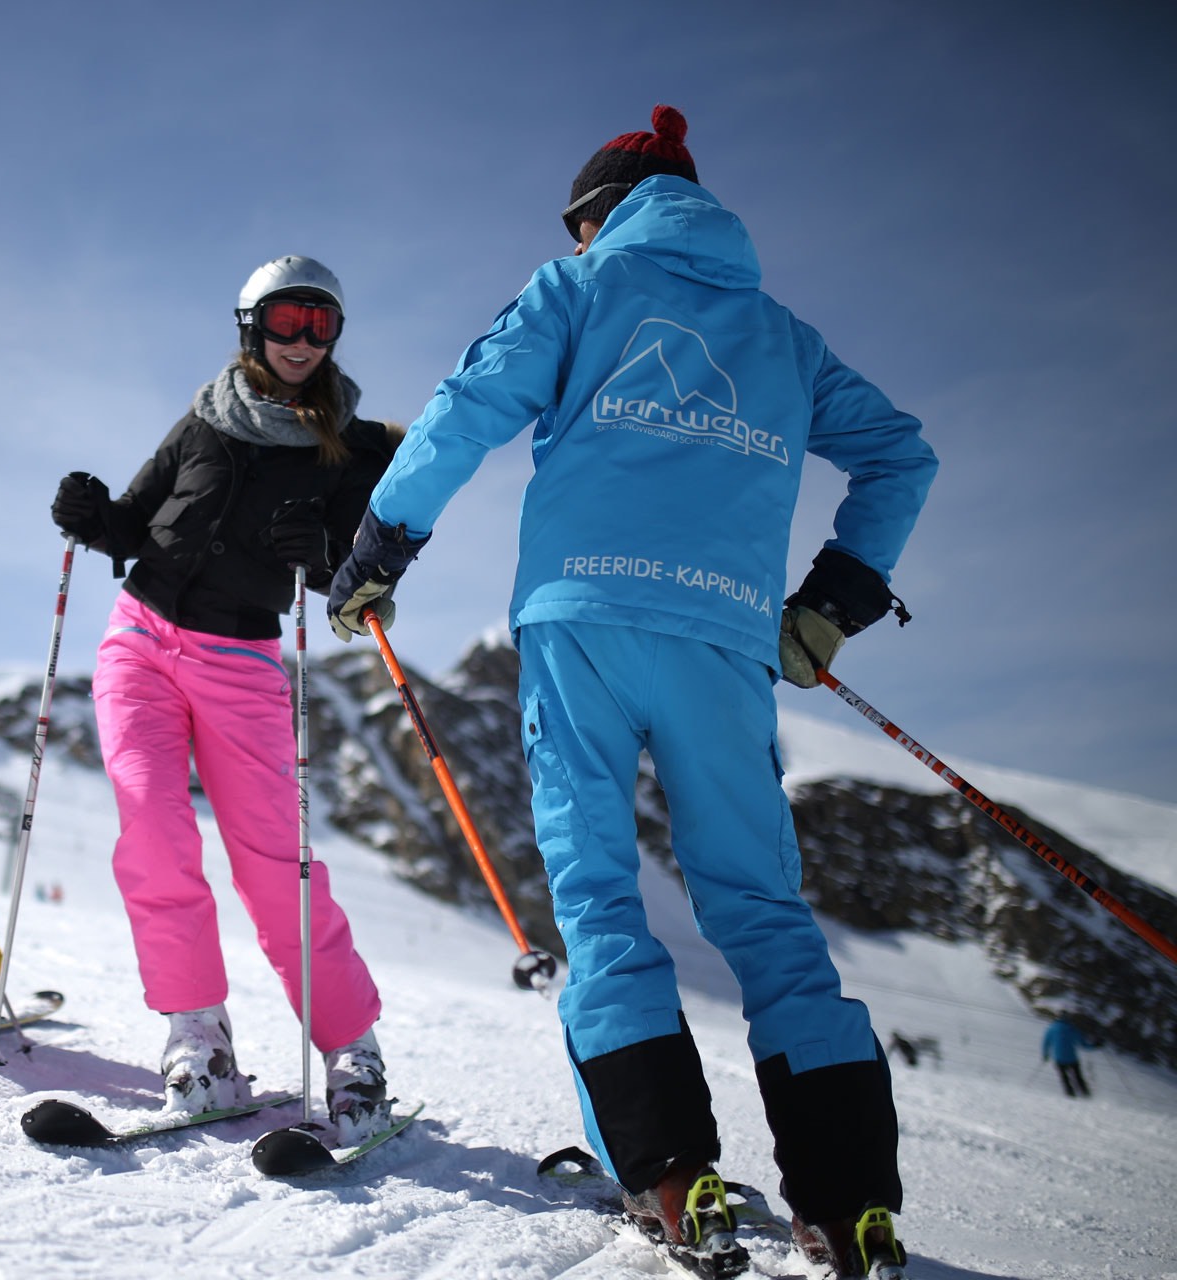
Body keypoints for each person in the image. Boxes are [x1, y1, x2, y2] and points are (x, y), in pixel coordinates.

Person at [327, 107, 935, 1280]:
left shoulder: (577, 286)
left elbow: (468, 405)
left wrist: (380, 546)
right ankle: (850, 1198)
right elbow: (902, 451)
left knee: (602, 900)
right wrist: (829, 604)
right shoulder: (783, 335)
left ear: (597, 213)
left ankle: (667, 1173)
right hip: (721, 635)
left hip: (582, 622)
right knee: (762, 910)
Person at [49, 255, 401, 1143]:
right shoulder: (203, 420)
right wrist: (94, 517)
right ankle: (197, 1039)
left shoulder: (354, 447)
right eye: (286, 321)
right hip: (139, 639)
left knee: (275, 861)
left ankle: (351, 1049)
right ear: (252, 326)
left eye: (321, 325)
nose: (302, 340)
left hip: (241, 658)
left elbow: (358, 578)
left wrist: (317, 549)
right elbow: (134, 522)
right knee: (154, 834)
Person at [1041, 1017, 1092, 1097]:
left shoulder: (1051, 1028)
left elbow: (1046, 1043)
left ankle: (1070, 1094)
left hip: (1059, 1058)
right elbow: (1083, 1044)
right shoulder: (1072, 1028)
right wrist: (1095, 1045)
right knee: (1078, 1077)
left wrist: (1045, 1055)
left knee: (1064, 1078)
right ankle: (1085, 1093)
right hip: (1072, 1058)